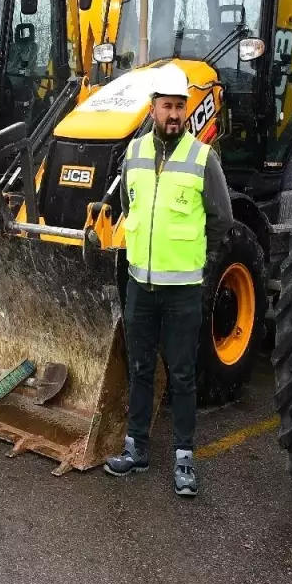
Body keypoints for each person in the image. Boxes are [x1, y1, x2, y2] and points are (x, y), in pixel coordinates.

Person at [104, 63, 232, 497]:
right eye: (166, 106)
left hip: (182, 292)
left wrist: (197, 259)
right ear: (153, 109)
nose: (173, 114)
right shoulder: (135, 153)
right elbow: (127, 204)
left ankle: (183, 459)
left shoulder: (202, 158)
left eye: (180, 107)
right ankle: (136, 449)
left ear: (186, 111)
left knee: (181, 375)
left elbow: (221, 219)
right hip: (140, 286)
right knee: (140, 368)